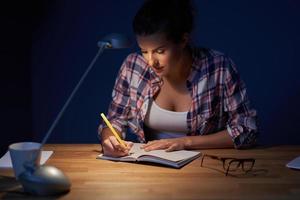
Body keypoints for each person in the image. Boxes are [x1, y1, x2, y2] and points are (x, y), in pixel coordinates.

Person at [98, 0, 258, 157]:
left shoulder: (218, 68)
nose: (151, 61)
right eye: (144, 51)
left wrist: (186, 142)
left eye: (160, 51)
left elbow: (246, 129)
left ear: (183, 40)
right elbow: (115, 120)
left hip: (205, 169)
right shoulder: (133, 66)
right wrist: (109, 139)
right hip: (150, 169)